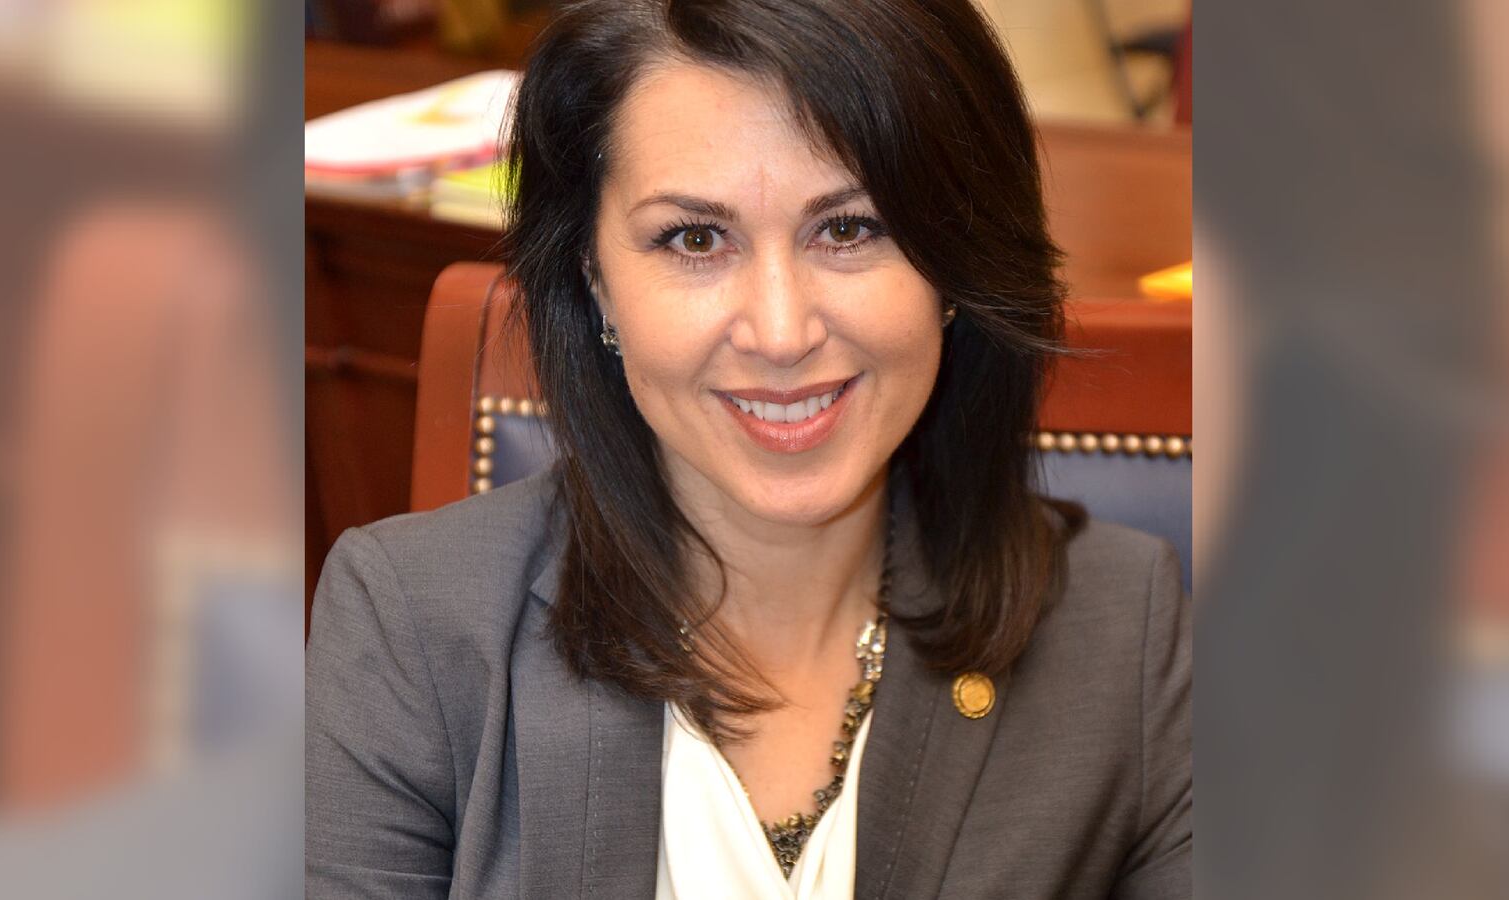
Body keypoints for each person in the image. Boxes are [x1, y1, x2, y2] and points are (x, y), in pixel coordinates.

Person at [305, 1, 1190, 898]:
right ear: (596, 279)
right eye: (695, 239)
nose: (779, 331)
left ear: (952, 266)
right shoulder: (408, 627)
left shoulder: (1126, 631)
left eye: (848, 228)